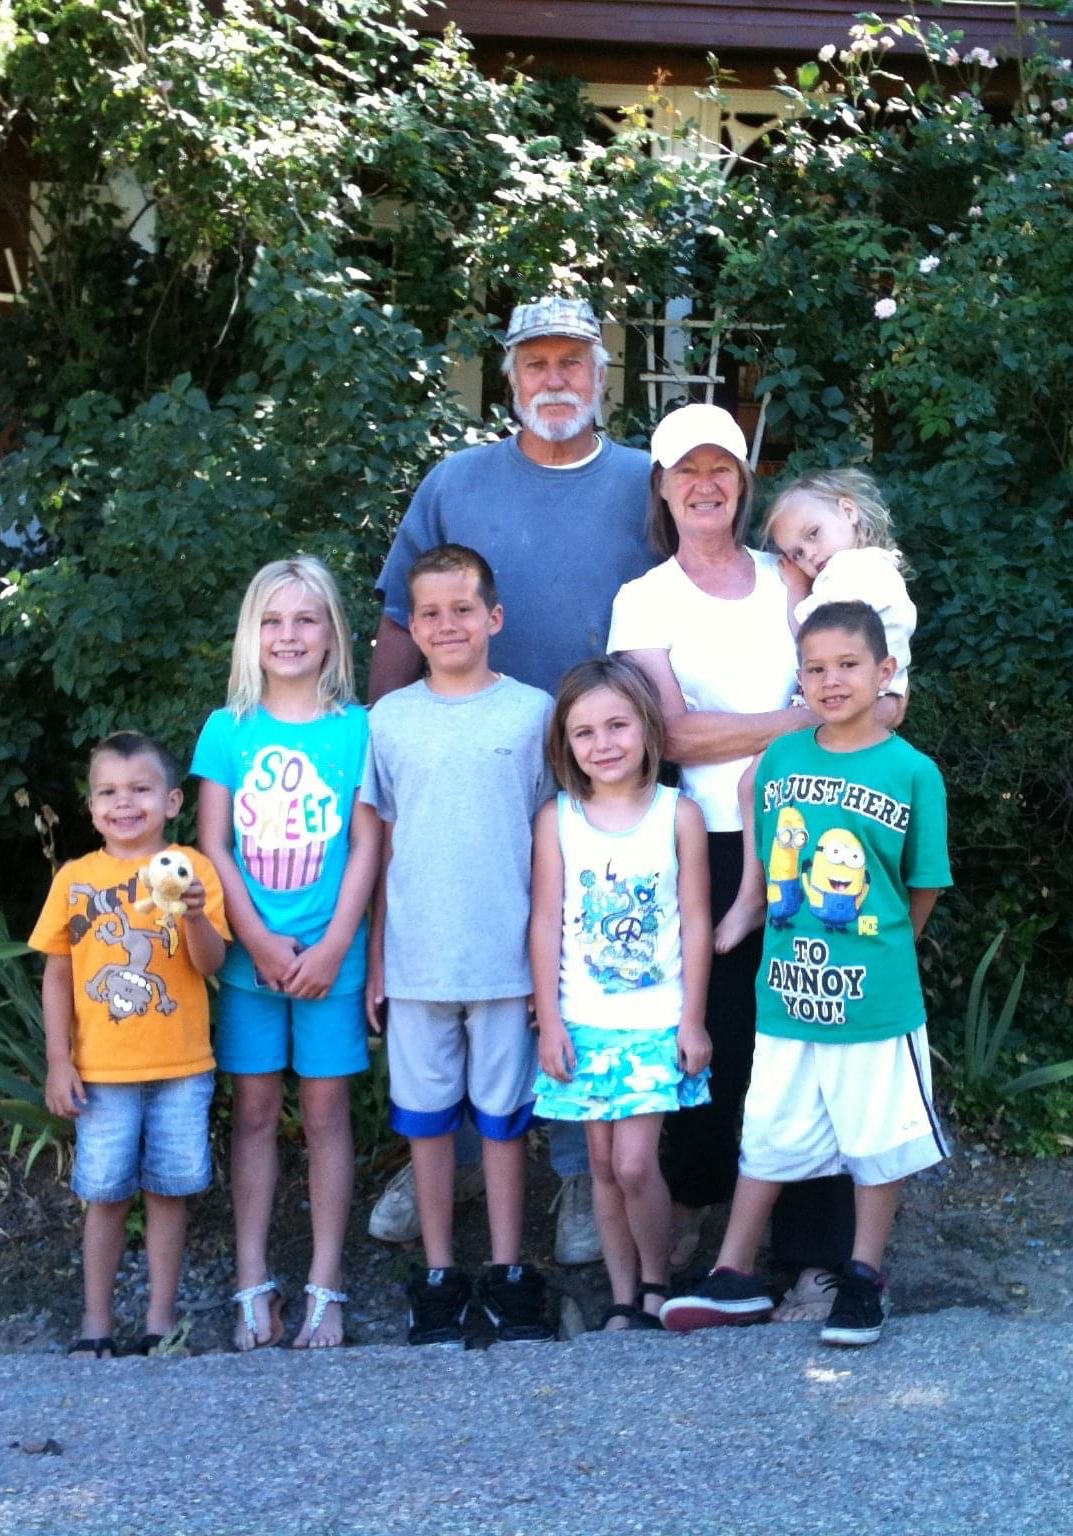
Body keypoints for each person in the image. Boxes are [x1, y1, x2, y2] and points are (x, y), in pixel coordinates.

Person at [367, 294, 659, 1265]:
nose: (554, 380)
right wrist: (383, 741)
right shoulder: (455, 483)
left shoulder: (644, 484)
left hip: (601, 779)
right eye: (536, 363)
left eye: (572, 362)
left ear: (602, 375)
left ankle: (577, 1175)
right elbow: (400, 621)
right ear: (510, 378)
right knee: (462, 967)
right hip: (469, 778)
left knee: (582, 975)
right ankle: (440, 1161)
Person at [610, 401, 895, 1321]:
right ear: (662, 487)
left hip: (813, 833)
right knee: (720, 1037)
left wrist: (808, 725)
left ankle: (814, 1254)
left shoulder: (791, 575)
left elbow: (870, 684)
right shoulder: (645, 598)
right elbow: (670, 735)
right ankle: (710, 1225)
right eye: (685, 471)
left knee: (813, 1033)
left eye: (721, 469)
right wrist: (804, 721)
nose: (705, 485)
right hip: (706, 840)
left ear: (741, 481)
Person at [660, 600, 950, 1347]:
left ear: (886, 671)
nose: (831, 680)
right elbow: (765, 848)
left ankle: (863, 1276)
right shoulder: (784, 758)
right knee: (769, 1135)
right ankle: (732, 1273)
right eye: (815, 668)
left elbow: (924, 883)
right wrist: (752, 907)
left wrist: (885, 950)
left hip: (873, 1003)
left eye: (849, 665)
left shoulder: (912, 771)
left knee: (876, 1141)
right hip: (787, 998)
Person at [365, 544, 556, 1345]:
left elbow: (551, 841)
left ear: (494, 618)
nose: (447, 625)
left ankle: (508, 1269)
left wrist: (548, 966)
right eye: (430, 613)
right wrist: (377, 957)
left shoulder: (534, 712)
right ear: (411, 626)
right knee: (428, 1121)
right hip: (416, 962)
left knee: (505, 1122)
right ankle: (441, 1272)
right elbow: (381, 844)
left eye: (463, 609)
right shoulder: (388, 719)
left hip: (506, 960)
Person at [192, 556, 380, 1350]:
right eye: (272, 621)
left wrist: (336, 945)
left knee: (328, 1115)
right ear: (251, 634)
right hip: (250, 960)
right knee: (256, 1114)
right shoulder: (227, 729)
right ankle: (252, 1283)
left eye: (305, 619)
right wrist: (258, 940)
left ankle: (325, 1286)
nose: (288, 635)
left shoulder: (359, 729)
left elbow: (368, 845)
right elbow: (213, 847)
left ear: (332, 631)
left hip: (333, 958)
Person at [31, 731, 227, 1360]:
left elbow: (210, 963)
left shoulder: (194, 870)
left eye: (140, 789)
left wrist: (193, 915)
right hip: (101, 1073)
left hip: (181, 1067)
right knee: (105, 1195)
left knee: (169, 1191)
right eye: (108, 792)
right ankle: (96, 1323)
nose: (124, 803)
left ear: (171, 802)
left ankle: (159, 1320)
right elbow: (57, 974)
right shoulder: (75, 879)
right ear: (91, 808)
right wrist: (58, 1061)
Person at [531, 656, 713, 1330]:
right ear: (565, 742)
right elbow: (545, 922)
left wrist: (693, 1020)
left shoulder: (678, 814)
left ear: (646, 728)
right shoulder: (557, 819)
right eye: (584, 732)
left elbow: (696, 921)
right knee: (603, 1165)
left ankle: (657, 1282)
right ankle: (621, 1297)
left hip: (657, 1019)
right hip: (582, 1020)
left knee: (636, 1164)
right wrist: (550, 1021)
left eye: (617, 726)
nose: (602, 744)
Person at [716, 468, 917, 954]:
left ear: (848, 510)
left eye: (813, 535)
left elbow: (813, 631)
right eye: (798, 554)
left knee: (755, 787)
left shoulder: (854, 571)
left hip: (849, 701)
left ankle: (756, 894)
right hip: (859, 698)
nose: (810, 556)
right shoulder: (874, 567)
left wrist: (792, 589)